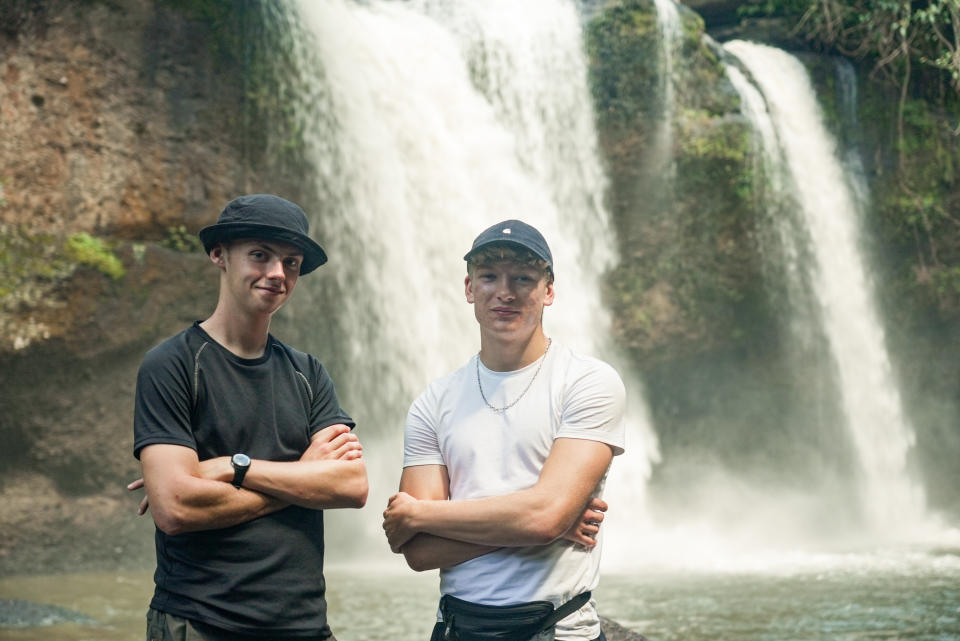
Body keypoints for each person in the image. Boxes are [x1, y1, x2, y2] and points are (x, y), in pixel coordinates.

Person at [128, 194, 368, 641]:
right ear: (219, 254)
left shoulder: (308, 372)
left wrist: (230, 468)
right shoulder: (173, 365)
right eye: (260, 255)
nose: (277, 273)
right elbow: (176, 507)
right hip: (202, 622)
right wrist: (303, 477)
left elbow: (351, 486)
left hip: (304, 625)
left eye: (291, 262)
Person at [382, 220, 625, 641]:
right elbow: (419, 552)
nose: (505, 292)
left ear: (548, 291)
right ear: (469, 287)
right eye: (490, 276)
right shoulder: (433, 401)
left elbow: (545, 515)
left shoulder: (588, 382)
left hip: (559, 629)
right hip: (459, 628)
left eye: (523, 279)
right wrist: (543, 525)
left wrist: (421, 514)